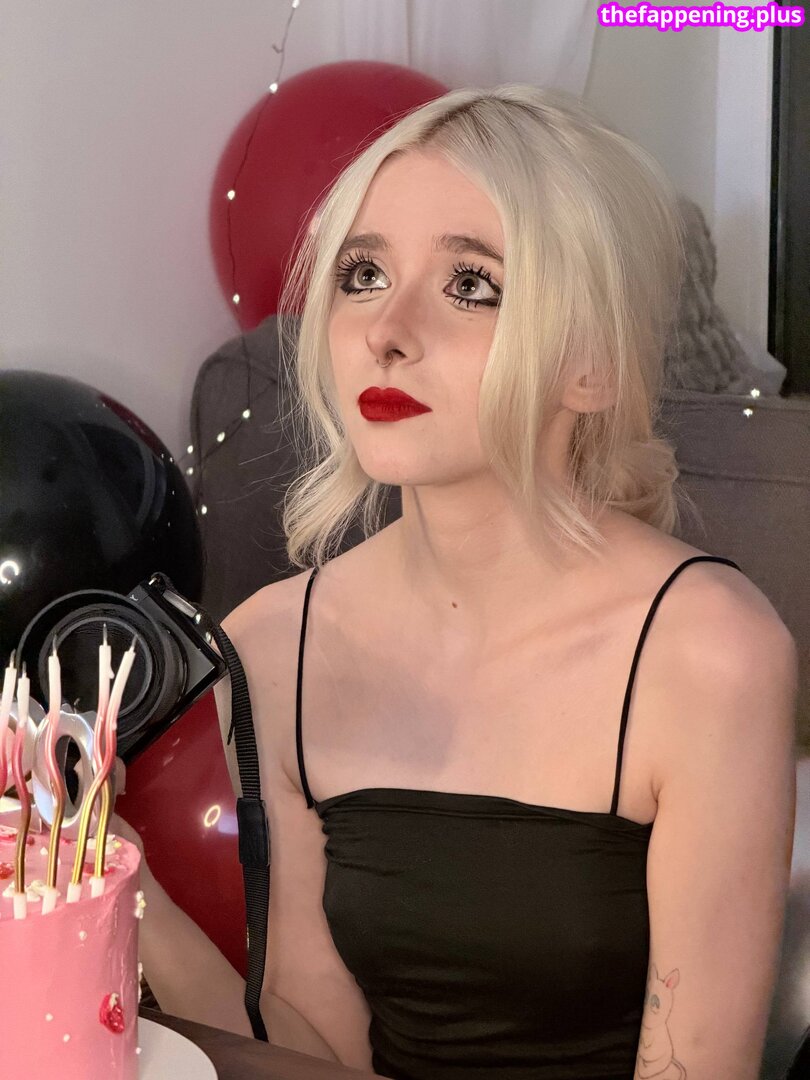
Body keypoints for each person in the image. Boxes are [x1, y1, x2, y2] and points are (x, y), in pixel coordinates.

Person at [116, 84, 798, 1078]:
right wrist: (123, 889)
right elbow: (318, 1056)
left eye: (472, 284)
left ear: (592, 366)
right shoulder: (272, 644)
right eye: (363, 275)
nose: (386, 331)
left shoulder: (711, 653)